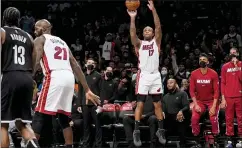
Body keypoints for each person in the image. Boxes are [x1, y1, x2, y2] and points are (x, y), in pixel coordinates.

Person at [31, 19, 100, 147]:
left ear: (45, 28)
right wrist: (87, 90)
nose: (35, 30)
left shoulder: (40, 39)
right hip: (69, 78)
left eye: (37, 27)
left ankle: (31, 146)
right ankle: (69, 146)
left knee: (39, 115)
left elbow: (36, 59)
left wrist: (30, 76)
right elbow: (75, 65)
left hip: (54, 76)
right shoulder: (62, 42)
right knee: (63, 119)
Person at [127, 0, 165, 147]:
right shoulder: (139, 44)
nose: (148, 31)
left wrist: (153, 10)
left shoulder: (156, 42)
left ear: (153, 33)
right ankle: (136, 132)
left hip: (155, 75)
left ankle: (161, 130)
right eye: (145, 31)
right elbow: (132, 33)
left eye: (150, 30)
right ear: (143, 34)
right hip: (143, 76)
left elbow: (159, 26)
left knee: (158, 104)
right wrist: (132, 18)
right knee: (140, 104)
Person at [1, 7, 40, 148]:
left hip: (10, 75)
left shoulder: (2, 32)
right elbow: (34, 60)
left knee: (2, 124)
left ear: (4, 18)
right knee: (21, 122)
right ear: (18, 20)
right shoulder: (29, 36)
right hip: (27, 77)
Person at [189, 53, 220, 147]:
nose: (202, 61)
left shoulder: (213, 73)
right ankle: (197, 140)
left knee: (213, 118)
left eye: (204, 59)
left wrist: (214, 106)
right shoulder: (194, 73)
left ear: (208, 62)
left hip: (212, 101)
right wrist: (196, 104)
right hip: (199, 102)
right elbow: (191, 91)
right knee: (194, 117)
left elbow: (216, 91)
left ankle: (215, 140)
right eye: (200, 59)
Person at [220, 48, 242, 148]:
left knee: (240, 118)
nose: (233, 55)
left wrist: (237, 67)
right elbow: (223, 83)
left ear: (238, 54)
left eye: (235, 53)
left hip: (240, 96)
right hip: (228, 97)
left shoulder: (241, 64)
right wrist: (223, 98)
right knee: (228, 119)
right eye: (231, 53)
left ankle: (241, 138)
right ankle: (229, 139)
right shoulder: (225, 67)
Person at [79, 58, 102, 148]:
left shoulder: (98, 76)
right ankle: (86, 144)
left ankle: (98, 144)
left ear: (94, 66)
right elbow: (80, 91)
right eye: (88, 63)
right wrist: (79, 104)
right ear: (85, 65)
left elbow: (101, 91)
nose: (90, 64)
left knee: (97, 125)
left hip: (95, 104)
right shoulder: (82, 76)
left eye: (92, 63)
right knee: (86, 125)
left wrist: (100, 105)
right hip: (85, 104)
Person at [162, 79, 190, 147]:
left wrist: (181, 111)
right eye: (168, 83)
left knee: (180, 118)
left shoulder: (182, 93)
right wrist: (162, 112)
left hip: (180, 117)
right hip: (169, 118)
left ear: (176, 84)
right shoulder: (165, 96)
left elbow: (186, 106)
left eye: (171, 82)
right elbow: (164, 110)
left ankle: (183, 144)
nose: (169, 84)